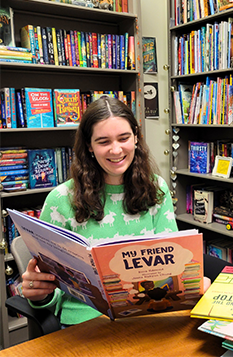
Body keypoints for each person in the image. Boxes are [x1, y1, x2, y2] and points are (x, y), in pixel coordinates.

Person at [21, 97, 178, 326]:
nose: (116, 150)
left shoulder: (157, 188)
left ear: (136, 137)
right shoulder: (60, 200)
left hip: (147, 317)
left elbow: (170, 269)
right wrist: (38, 294)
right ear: (89, 146)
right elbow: (51, 292)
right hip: (85, 325)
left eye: (124, 138)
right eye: (103, 141)